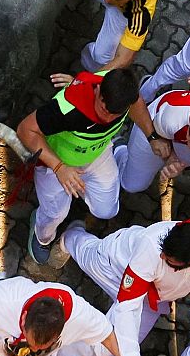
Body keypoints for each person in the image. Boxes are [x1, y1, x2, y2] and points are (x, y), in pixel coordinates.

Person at [48, 218, 190, 356]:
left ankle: (55, 353)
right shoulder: (151, 247)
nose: (162, 257)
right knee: (85, 252)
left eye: (170, 261)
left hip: (152, 300)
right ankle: (70, 236)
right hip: (115, 267)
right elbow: (127, 306)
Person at [15, 68, 158, 263]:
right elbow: (25, 129)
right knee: (54, 214)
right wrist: (59, 168)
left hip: (96, 154)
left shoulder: (124, 97)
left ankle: (114, 149)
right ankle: (42, 237)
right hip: (56, 165)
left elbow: (137, 103)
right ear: (98, 90)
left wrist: (152, 136)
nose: (107, 119)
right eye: (104, 110)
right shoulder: (66, 110)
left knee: (106, 210)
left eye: (115, 115)